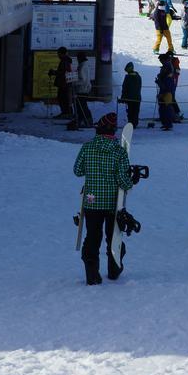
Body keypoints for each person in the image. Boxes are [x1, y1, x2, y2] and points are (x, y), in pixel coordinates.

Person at [73, 112, 137, 284]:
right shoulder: (119, 152)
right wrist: (131, 182)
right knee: (113, 237)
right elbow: (123, 180)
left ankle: (92, 274)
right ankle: (114, 269)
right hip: (112, 203)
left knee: (92, 237)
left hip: (91, 201)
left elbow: (78, 170)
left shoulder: (87, 147)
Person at [51, 47, 74, 118]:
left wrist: (54, 72)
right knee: (64, 98)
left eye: (58, 53)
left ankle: (66, 113)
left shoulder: (64, 61)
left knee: (62, 98)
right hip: (65, 83)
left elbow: (63, 72)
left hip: (64, 83)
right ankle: (67, 112)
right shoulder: (66, 60)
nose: (57, 55)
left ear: (61, 53)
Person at [155, 56, 176, 131]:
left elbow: (166, 85)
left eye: (161, 60)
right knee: (162, 108)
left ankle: (168, 124)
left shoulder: (167, 69)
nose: (160, 61)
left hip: (167, 92)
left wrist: (159, 81)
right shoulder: (167, 67)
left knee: (166, 108)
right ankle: (165, 123)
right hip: (165, 91)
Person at [73, 52, 94, 127]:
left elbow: (82, 80)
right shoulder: (85, 65)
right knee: (81, 106)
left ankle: (87, 121)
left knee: (82, 106)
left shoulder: (82, 66)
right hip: (85, 88)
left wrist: (74, 82)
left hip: (82, 89)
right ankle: (81, 120)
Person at [120, 62, 142, 128]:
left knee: (130, 111)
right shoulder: (138, 76)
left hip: (130, 98)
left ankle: (131, 123)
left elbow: (125, 88)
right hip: (137, 97)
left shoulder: (128, 77)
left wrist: (123, 97)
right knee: (136, 111)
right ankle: (135, 123)